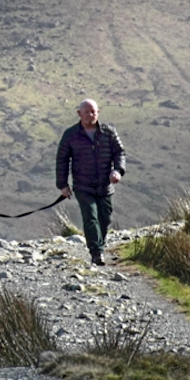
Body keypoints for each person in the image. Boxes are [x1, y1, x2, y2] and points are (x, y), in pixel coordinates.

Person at [56, 98, 126, 265]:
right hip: (83, 186)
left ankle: (99, 245)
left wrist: (118, 170)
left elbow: (120, 153)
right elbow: (62, 160)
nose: (90, 115)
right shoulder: (71, 135)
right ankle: (96, 253)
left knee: (105, 219)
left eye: (93, 111)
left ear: (98, 112)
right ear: (79, 114)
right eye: (86, 112)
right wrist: (63, 185)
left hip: (105, 186)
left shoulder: (108, 132)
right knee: (90, 218)